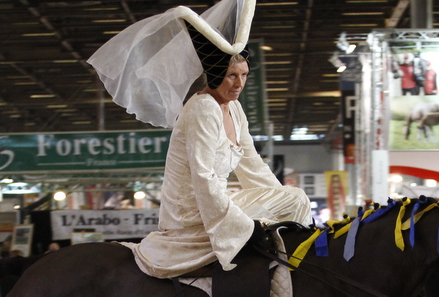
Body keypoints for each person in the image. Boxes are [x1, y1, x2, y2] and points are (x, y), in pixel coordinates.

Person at [89, 0, 312, 278]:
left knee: (296, 198)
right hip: (192, 212)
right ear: (216, 74)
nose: (239, 83)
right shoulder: (202, 108)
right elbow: (203, 177)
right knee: (292, 203)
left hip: (217, 200)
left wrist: (280, 200)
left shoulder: (236, 110)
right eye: (231, 75)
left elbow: (252, 164)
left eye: (243, 75)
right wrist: (236, 226)